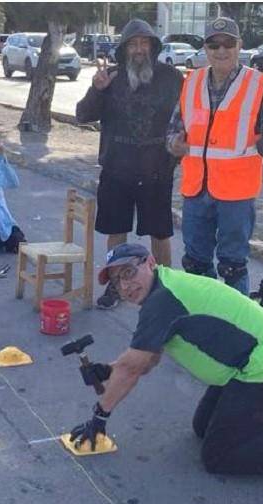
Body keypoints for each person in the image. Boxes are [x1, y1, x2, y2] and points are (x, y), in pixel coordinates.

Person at [69, 243, 263, 485]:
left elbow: (133, 368)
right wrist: (110, 370)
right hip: (260, 365)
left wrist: (99, 417)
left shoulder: (162, 300)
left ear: (151, 263)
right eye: (117, 281)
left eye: (129, 272)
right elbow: (147, 358)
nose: (126, 285)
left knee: (220, 455)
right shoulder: (165, 286)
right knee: (203, 427)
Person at [167, 17, 263, 296]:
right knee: (195, 262)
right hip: (196, 190)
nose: (221, 50)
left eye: (228, 44)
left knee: (232, 265)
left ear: (239, 46)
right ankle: (204, 310)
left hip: (236, 194)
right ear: (205, 49)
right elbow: (173, 129)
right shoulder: (192, 82)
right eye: (214, 45)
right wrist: (174, 143)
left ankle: (236, 317)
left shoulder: (258, 85)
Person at [76, 19, 184, 310]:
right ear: (124, 49)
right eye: (133, 44)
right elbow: (82, 115)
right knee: (117, 231)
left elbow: (187, 118)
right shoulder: (110, 77)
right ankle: (117, 286)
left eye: (144, 43)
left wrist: (177, 154)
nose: (139, 49)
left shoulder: (171, 77)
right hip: (117, 170)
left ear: (152, 46)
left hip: (156, 170)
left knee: (160, 233)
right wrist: (97, 90)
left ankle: (165, 288)